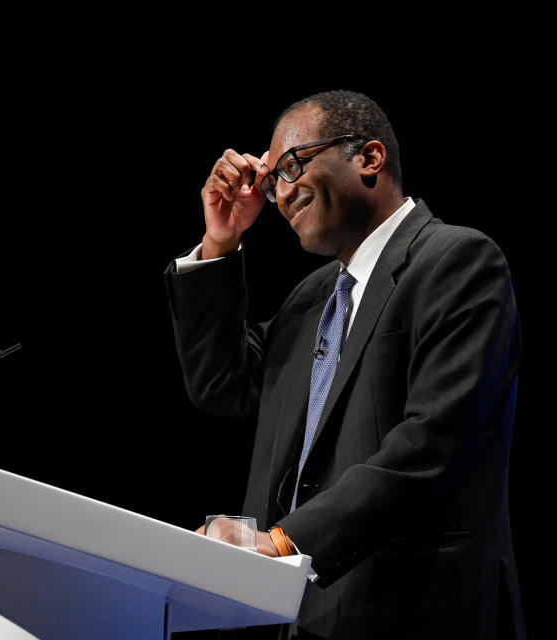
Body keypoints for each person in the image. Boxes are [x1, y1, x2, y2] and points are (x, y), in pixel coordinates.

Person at [165, 90, 524, 639]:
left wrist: (285, 540)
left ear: (369, 158)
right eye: (270, 182)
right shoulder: (314, 298)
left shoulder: (456, 262)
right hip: (301, 616)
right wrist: (221, 239)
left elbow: (432, 441)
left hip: (413, 612)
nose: (280, 196)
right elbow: (223, 383)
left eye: (290, 166)